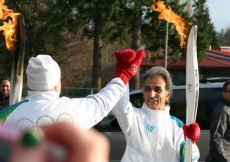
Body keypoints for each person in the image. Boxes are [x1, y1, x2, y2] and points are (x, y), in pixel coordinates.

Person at [0, 49, 145, 130]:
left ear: (30, 85)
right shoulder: (72, 109)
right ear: (57, 84)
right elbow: (105, 99)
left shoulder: (7, 115)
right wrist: (123, 74)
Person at [112, 66, 200, 162]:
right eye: (147, 89)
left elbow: (190, 158)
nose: (151, 94)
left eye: (157, 90)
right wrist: (123, 74)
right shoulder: (134, 117)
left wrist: (191, 143)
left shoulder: (177, 126)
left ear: (168, 95)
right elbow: (120, 107)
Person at [0, 121, 109, 162]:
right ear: (56, 85)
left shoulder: (14, 109)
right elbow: (103, 101)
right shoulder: (75, 106)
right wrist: (121, 75)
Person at [205, 80, 230, 162]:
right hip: (221, 158)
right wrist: (223, 160)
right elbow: (216, 138)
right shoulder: (223, 111)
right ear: (223, 93)